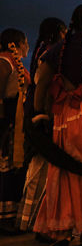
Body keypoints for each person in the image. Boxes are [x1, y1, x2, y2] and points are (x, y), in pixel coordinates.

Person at [32, 4, 82, 246]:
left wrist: (40, 112)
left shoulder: (57, 50)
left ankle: (62, 233)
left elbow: (42, 83)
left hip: (63, 118)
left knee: (62, 173)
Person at [16, 17, 67, 233]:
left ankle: (26, 219)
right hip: (43, 117)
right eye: (64, 33)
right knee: (42, 172)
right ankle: (33, 221)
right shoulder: (51, 54)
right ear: (57, 33)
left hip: (34, 116)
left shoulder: (41, 52)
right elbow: (44, 87)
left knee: (37, 170)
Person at [0, 28, 30, 224]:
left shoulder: (11, 63)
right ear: (18, 44)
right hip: (6, 124)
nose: (28, 46)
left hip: (13, 123)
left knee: (12, 170)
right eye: (26, 42)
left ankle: (10, 217)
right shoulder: (4, 62)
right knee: (6, 169)